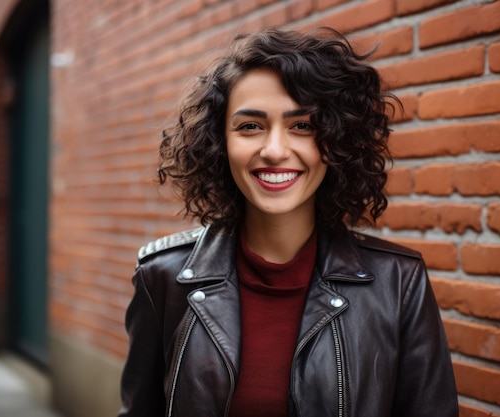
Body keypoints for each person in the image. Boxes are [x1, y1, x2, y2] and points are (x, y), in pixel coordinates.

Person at [118, 27, 458, 417]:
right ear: (218, 141)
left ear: (337, 140)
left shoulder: (399, 282)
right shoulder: (163, 276)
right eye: (250, 126)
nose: (275, 150)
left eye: (303, 126)